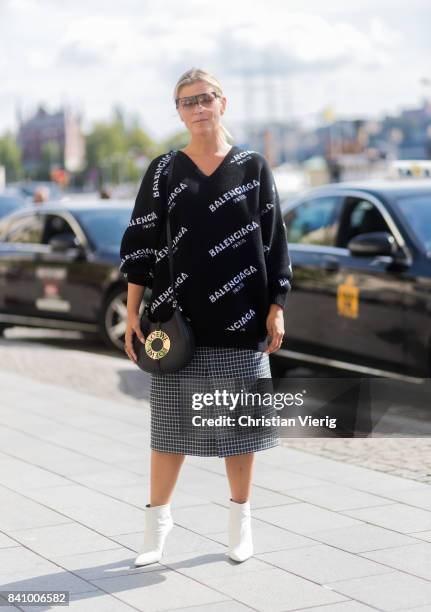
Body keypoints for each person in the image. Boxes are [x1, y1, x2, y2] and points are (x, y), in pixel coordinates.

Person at [120, 67, 292, 566]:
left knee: (240, 430)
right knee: (169, 429)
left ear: (223, 103)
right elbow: (142, 243)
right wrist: (133, 312)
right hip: (177, 324)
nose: (197, 108)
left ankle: (241, 524)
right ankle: (156, 527)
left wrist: (277, 308)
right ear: (178, 111)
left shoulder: (253, 168)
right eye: (186, 102)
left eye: (205, 99)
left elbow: (275, 243)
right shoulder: (164, 170)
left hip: (243, 320)